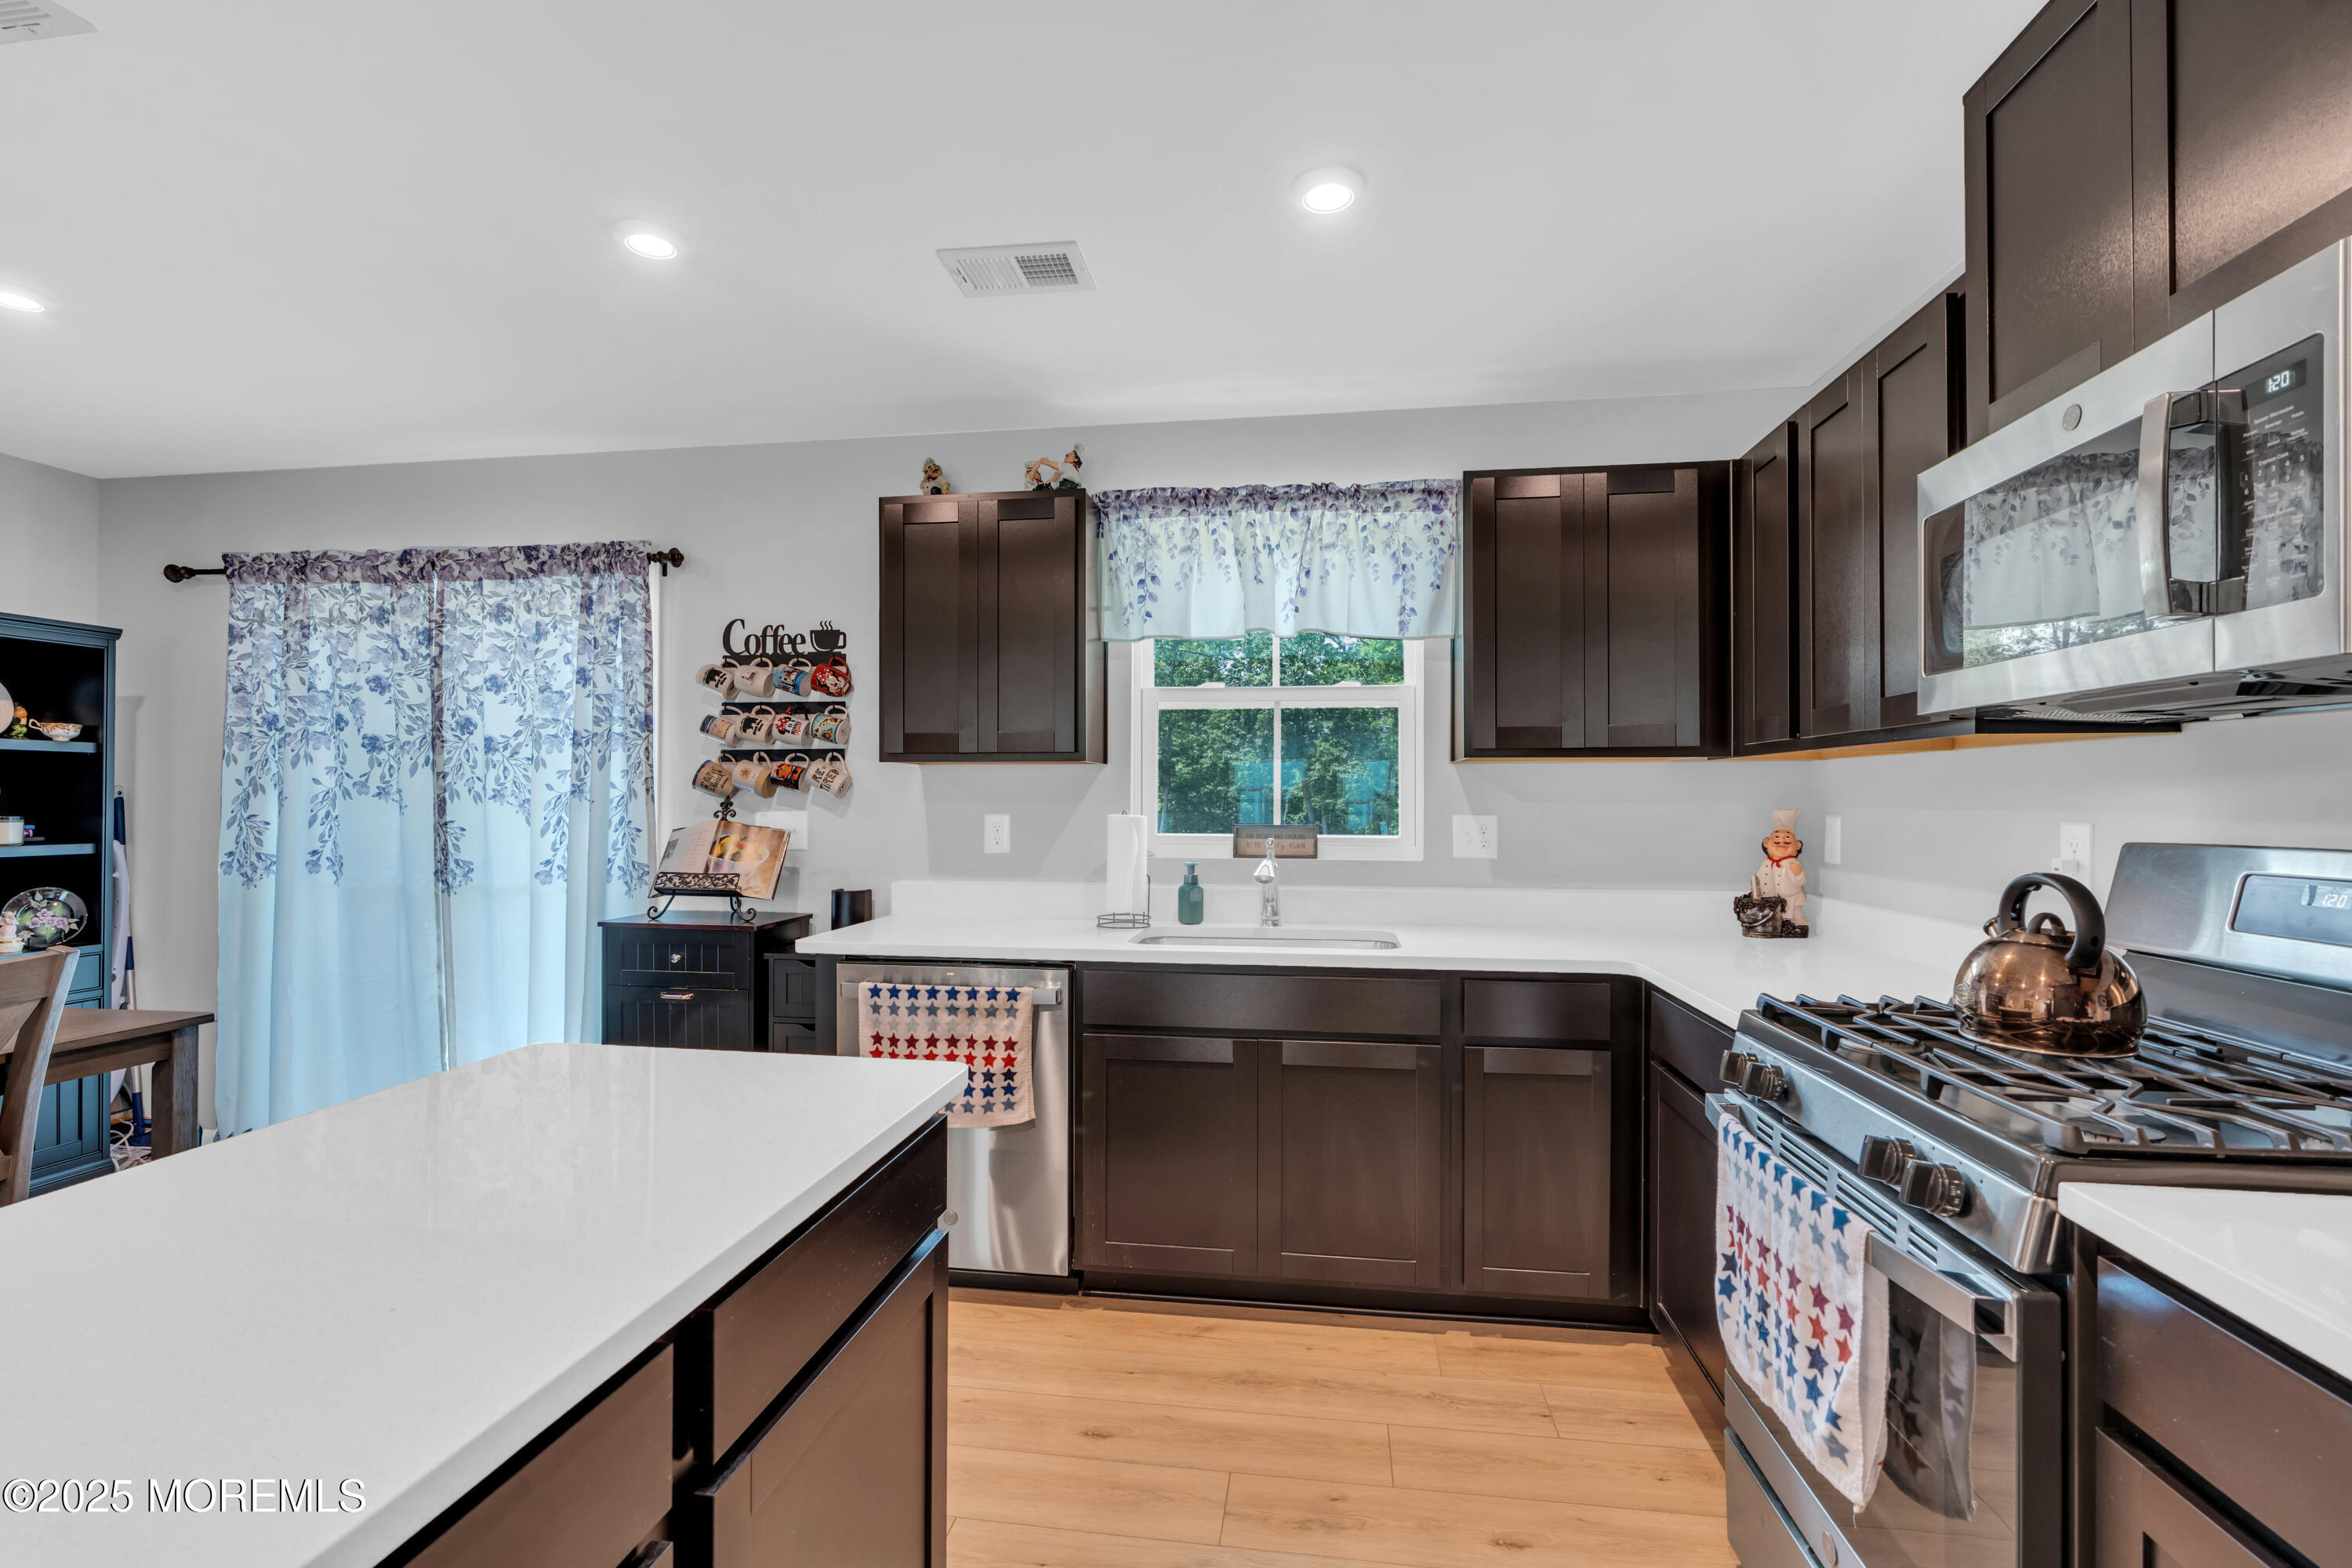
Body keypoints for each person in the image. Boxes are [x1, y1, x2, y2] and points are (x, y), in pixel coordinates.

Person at [1753, 808, 1808, 931]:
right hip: (1772, 901)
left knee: (1796, 917)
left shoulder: (1793, 863)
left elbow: (1801, 881)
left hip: (1792, 898)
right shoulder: (1766, 863)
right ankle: (1775, 928)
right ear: (1766, 843)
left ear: (1797, 846)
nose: (1782, 841)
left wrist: (1798, 873)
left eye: (1787, 839)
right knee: (1774, 918)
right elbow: (1759, 878)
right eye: (1776, 838)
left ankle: (1799, 928)